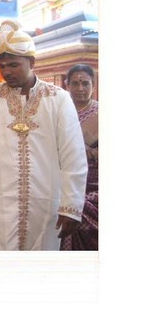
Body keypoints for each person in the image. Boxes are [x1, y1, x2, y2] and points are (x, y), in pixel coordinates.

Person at [0, 20, 88, 250]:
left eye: (13, 65)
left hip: (44, 197)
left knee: (39, 258)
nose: (6, 72)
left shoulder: (58, 98)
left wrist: (71, 206)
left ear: (31, 62)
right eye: (2, 66)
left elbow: (73, 154)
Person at [60, 64, 99, 251]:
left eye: (85, 83)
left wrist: (90, 151)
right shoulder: (59, 112)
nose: (80, 88)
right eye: (75, 83)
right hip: (61, 181)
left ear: (94, 85)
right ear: (67, 85)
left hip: (92, 185)